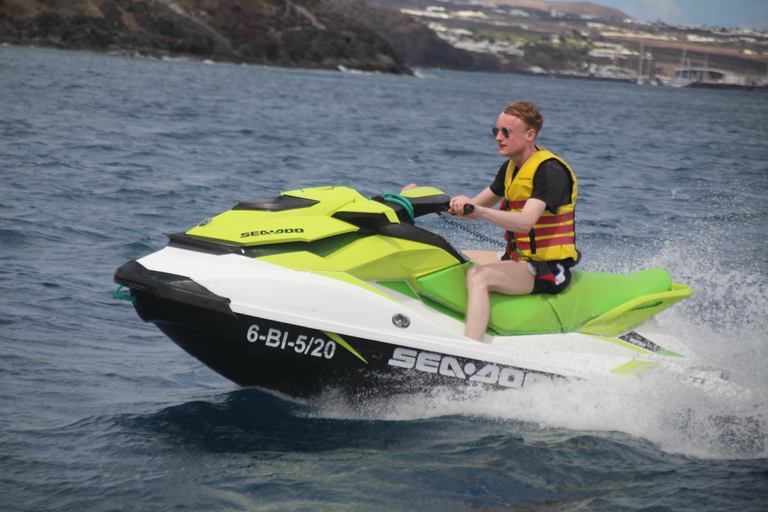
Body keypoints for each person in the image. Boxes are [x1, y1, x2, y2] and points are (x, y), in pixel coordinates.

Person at [444, 100, 580, 341]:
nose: (498, 137)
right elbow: (472, 211)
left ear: (530, 134)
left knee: (479, 276)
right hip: (518, 259)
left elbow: (524, 223)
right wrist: (420, 198)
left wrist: (478, 209)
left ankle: (470, 351)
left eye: (506, 132)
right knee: (446, 253)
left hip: (546, 269)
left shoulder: (551, 171)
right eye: (496, 131)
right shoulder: (510, 168)